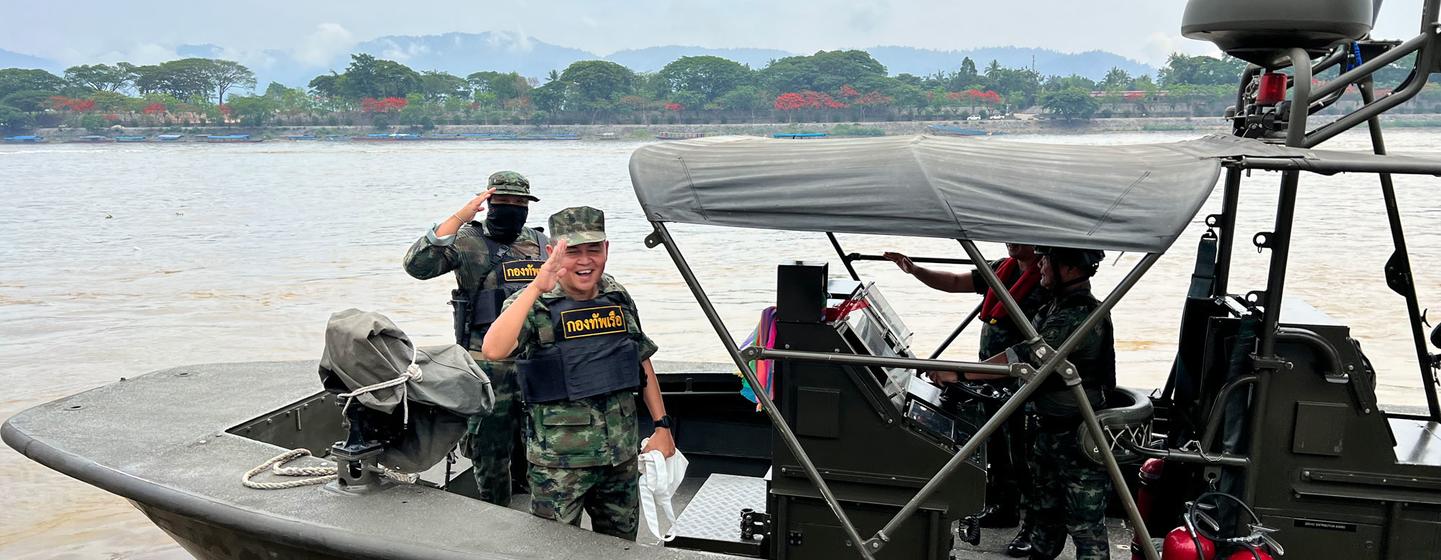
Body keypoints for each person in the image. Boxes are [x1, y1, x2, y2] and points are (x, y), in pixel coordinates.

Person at [482, 206, 676, 540]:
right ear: (551, 252)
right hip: (559, 465)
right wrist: (535, 288)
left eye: (593, 249)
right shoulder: (533, 304)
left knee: (620, 548)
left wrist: (662, 426)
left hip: (620, 458)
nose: (585, 261)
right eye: (572, 251)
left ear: (606, 249)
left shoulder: (617, 295)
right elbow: (494, 349)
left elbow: (640, 358)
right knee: (553, 549)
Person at [928, 246, 1115, 560]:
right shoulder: (1056, 306)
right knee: (1045, 520)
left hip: (1077, 439)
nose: (1040, 264)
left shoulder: (1078, 313)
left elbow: (1031, 356)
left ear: (1069, 269)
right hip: (1049, 432)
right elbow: (1021, 349)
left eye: (1047, 260)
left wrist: (962, 372)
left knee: (1086, 531)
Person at [884, 244, 1044, 557]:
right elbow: (957, 281)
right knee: (997, 446)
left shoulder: (1046, 282)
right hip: (988, 376)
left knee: (1025, 455)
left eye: (1018, 234)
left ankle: (1035, 526)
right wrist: (916, 270)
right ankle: (1004, 507)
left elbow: (1032, 347)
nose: (1010, 241)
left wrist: (964, 373)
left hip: (1023, 379)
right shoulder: (1003, 268)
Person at [402, 170, 547, 507]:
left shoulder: (541, 244)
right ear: (489, 202)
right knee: (489, 449)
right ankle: (496, 511)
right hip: (486, 364)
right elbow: (417, 266)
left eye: (519, 202)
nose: (512, 208)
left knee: (539, 439)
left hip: (535, 361)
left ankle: (539, 515)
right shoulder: (467, 240)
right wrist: (459, 216)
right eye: (504, 201)